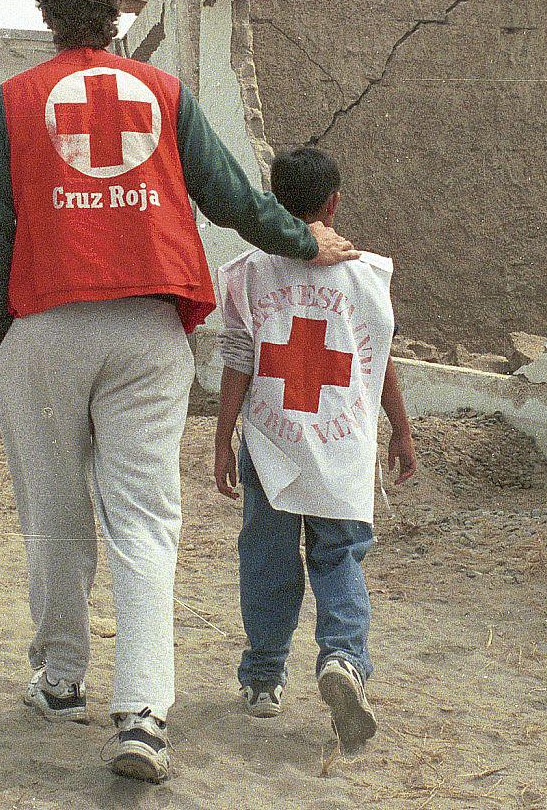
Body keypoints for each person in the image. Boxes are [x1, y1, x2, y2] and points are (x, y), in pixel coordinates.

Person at [0, 0, 358, 783]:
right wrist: (306, 239)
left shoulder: (11, 104)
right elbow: (233, 197)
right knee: (145, 520)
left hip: (47, 326)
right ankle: (143, 714)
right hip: (149, 329)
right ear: (117, 11)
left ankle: (63, 678)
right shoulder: (166, 94)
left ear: (46, 12)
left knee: (55, 512)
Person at [212, 146, 417, 751]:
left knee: (267, 560)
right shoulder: (367, 277)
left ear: (274, 202)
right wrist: (401, 431)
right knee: (339, 559)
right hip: (344, 447)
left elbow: (236, 362)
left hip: (272, 445)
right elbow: (381, 363)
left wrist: (222, 438)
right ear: (333, 203)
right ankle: (343, 660)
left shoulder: (248, 271)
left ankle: (264, 678)